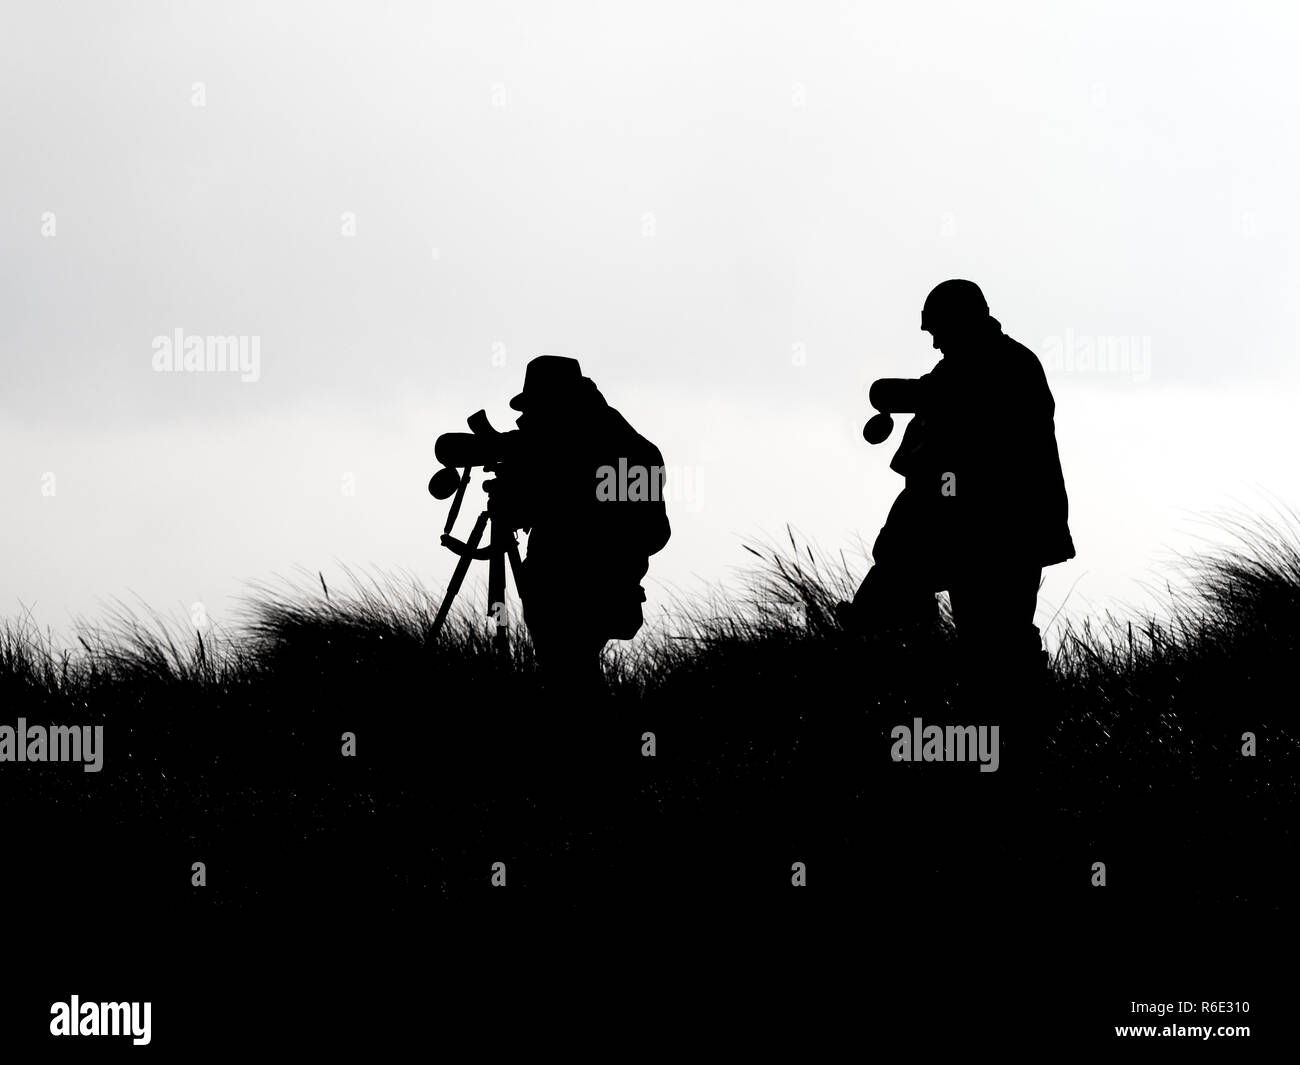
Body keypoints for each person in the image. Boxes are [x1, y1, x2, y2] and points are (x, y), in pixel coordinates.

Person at [850, 280, 1075, 712]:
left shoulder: (992, 366)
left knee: (997, 645)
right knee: (993, 646)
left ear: (960, 321)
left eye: (936, 329)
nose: (933, 342)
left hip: (999, 534)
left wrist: (889, 395)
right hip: (993, 534)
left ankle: (1011, 740)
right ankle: (1013, 735)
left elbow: (942, 403)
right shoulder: (987, 364)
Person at [496, 355, 671, 695]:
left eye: (536, 408)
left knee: (571, 679)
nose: (527, 420)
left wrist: (541, 504)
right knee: (571, 675)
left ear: (560, 403)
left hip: (582, 593)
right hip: (598, 592)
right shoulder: (631, 447)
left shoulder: (603, 450)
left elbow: (648, 530)